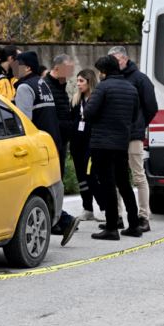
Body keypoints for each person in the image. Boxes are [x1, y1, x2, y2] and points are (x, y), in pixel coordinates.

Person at [14, 51, 79, 245]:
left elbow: (24, 121)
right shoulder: (42, 84)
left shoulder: (25, 87)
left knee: (36, 189)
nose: (15, 68)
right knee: (51, 185)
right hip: (53, 142)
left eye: (18, 65)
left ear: (27, 68)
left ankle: (62, 221)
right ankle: (62, 222)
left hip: (37, 146)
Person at [84, 55, 141, 240]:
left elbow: (89, 112)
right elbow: (134, 116)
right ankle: (134, 225)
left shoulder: (103, 87)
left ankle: (111, 227)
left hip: (102, 143)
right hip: (121, 143)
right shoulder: (131, 89)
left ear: (104, 71)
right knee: (124, 183)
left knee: (107, 184)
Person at [109, 45, 159, 233]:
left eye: (116, 60)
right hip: (116, 135)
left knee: (138, 176)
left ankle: (144, 216)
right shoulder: (114, 78)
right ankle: (117, 216)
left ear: (124, 58)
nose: (115, 64)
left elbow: (151, 107)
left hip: (133, 135)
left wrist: (139, 124)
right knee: (115, 177)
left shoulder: (140, 79)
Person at [70, 69, 99, 221]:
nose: (78, 84)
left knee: (91, 175)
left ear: (89, 81)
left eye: (81, 81)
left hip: (91, 143)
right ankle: (87, 208)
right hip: (77, 144)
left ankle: (105, 207)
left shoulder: (96, 99)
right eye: (77, 81)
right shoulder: (76, 100)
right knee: (81, 177)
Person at [44, 54, 76, 174]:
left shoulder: (61, 85)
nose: (70, 73)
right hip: (53, 139)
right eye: (68, 69)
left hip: (62, 139)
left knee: (60, 172)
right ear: (57, 68)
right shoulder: (45, 86)